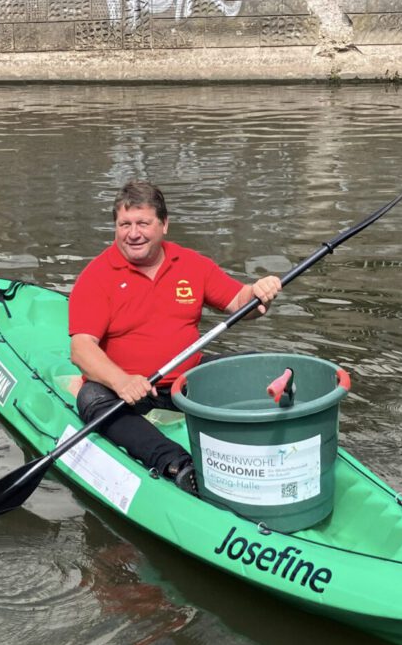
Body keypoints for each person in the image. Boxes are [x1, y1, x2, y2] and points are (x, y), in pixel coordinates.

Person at [68, 180, 282, 494]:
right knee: (91, 399)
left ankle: (281, 437)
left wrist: (259, 292)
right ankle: (177, 465)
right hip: (128, 393)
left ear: (164, 224)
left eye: (143, 223)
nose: (133, 233)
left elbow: (239, 302)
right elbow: (81, 348)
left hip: (186, 381)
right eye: (124, 224)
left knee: (257, 366)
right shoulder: (97, 276)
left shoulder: (191, 264)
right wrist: (122, 381)